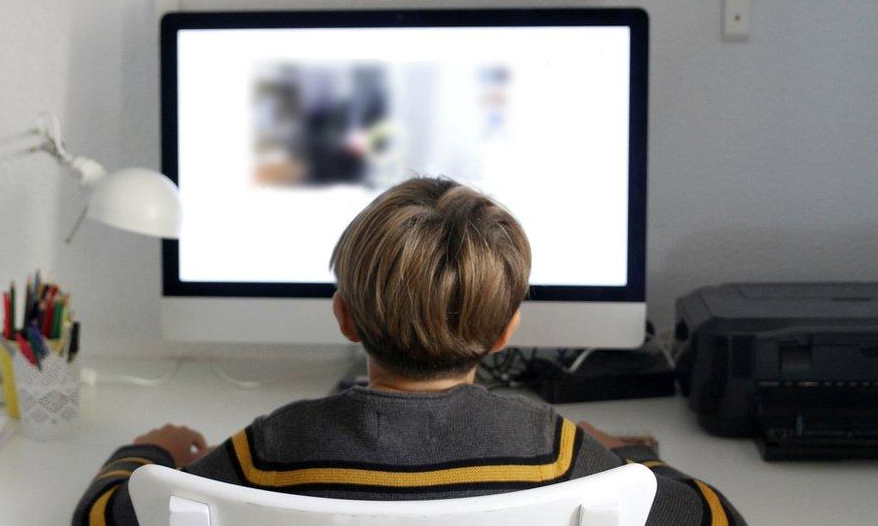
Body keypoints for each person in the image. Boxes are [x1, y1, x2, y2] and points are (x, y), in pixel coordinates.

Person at [74, 177, 744, 525]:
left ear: (343, 316)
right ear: (507, 328)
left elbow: (101, 518)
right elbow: (719, 517)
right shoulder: (557, 448)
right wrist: (631, 456)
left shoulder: (273, 446)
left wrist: (151, 451)